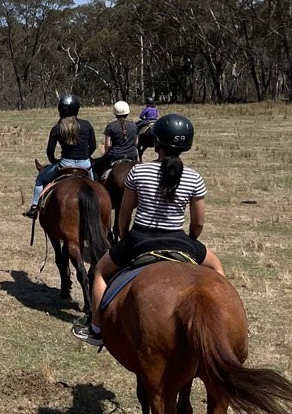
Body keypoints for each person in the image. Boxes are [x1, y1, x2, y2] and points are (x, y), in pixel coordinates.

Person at [73, 113, 224, 346]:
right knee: (216, 266)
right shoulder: (195, 178)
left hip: (140, 238)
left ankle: (96, 328)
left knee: (101, 272)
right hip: (179, 240)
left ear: (156, 144)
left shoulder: (139, 172)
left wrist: (124, 237)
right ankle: (222, 321)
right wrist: (191, 241)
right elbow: (198, 222)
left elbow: (124, 214)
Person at [23, 93, 96, 218]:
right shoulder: (87, 125)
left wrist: (54, 161)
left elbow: (50, 151)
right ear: (77, 108)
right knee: (94, 188)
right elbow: (93, 146)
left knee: (40, 179)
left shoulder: (57, 128)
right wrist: (85, 156)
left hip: (65, 165)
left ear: (60, 110)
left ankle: (34, 207)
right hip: (85, 165)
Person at [92, 101, 139, 181]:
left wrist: (105, 155)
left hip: (114, 156)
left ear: (115, 113)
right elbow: (136, 143)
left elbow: (108, 145)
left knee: (96, 168)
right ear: (127, 113)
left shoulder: (110, 126)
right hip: (132, 155)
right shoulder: (134, 125)